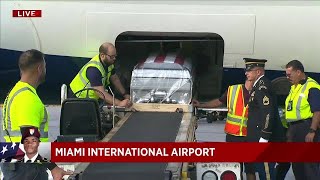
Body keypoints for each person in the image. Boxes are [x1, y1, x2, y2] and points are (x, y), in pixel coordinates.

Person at [1, 49, 72, 180]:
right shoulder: (27, 98)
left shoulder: (16, 92)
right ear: (39, 68)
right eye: (44, 66)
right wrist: (54, 168)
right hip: (27, 169)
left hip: (18, 165)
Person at [193, 79, 254, 180]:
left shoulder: (259, 91)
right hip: (234, 136)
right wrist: (201, 105)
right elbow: (219, 101)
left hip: (250, 136)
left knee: (250, 169)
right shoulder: (233, 90)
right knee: (235, 167)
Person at [244, 58, 286, 180]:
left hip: (263, 139)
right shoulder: (257, 86)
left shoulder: (263, 86)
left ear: (258, 72)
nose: (246, 73)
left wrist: (264, 136)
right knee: (261, 170)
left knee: (266, 171)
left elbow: (268, 112)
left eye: (249, 71)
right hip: (256, 137)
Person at [284, 60, 320, 180]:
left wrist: (312, 131)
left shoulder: (312, 86)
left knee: (309, 167)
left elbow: (317, 111)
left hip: (306, 129)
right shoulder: (295, 86)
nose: (287, 77)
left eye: (289, 74)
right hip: (294, 130)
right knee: (297, 166)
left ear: (298, 72)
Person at [69, 42, 131, 107]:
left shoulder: (108, 63)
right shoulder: (94, 70)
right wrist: (119, 103)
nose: (114, 59)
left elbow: (115, 79)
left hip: (90, 98)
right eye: (112, 56)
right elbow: (101, 93)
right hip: (78, 98)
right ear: (102, 55)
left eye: (115, 56)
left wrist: (125, 94)